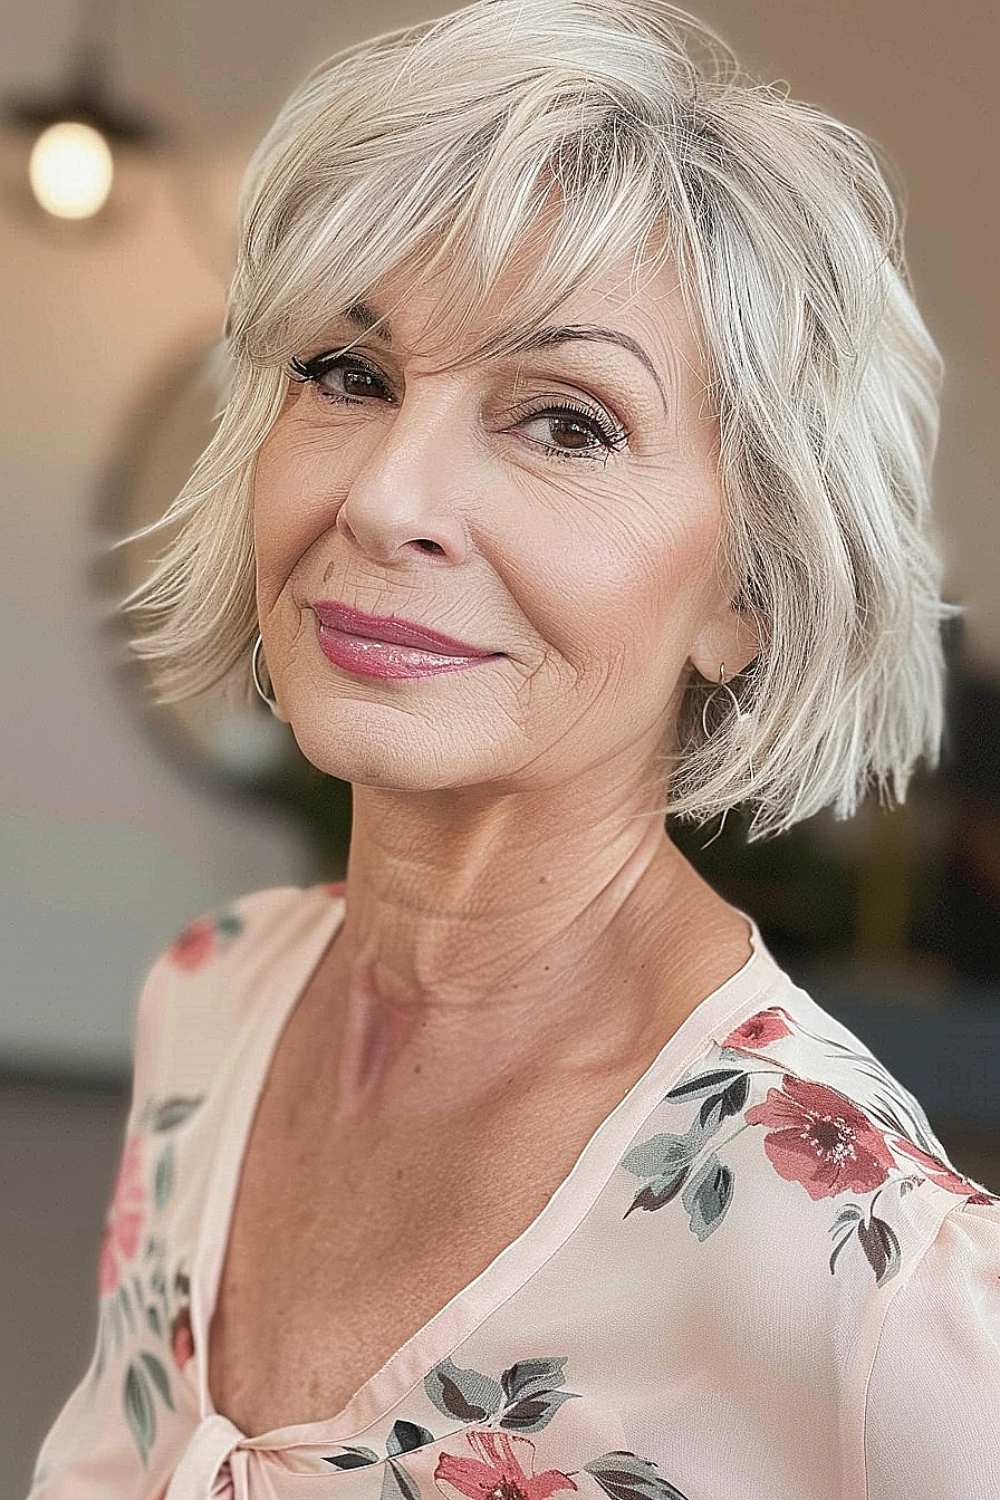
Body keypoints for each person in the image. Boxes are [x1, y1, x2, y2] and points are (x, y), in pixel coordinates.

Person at [28, 1, 1000, 1496]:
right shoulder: (209, 1001)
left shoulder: (851, 1256)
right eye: (347, 375)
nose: (385, 496)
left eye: (564, 422)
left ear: (749, 594)